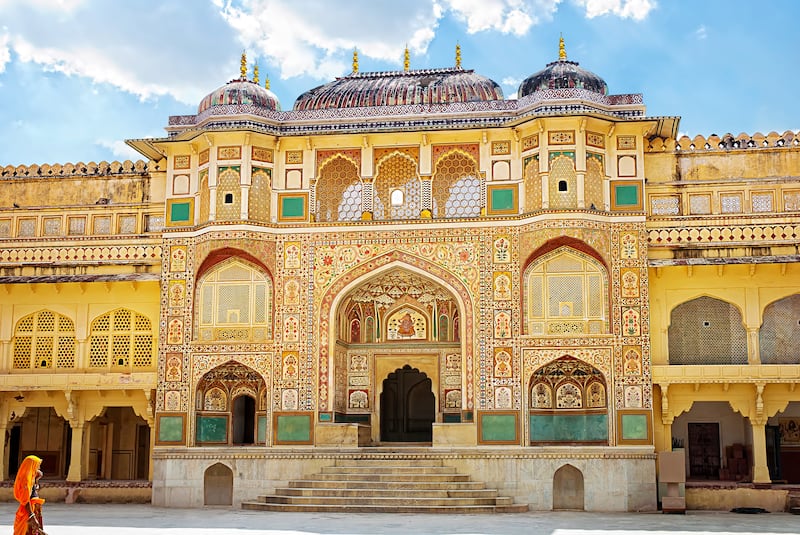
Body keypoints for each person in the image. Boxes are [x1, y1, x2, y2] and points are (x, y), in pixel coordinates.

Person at [13, 455, 46, 535]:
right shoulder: (26, 480)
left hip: (34, 510)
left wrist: (37, 479)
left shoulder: (31, 478)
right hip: (29, 512)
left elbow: (34, 491)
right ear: (32, 466)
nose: (39, 469)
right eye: (37, 466)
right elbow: (26, 499)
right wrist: (32, 516)